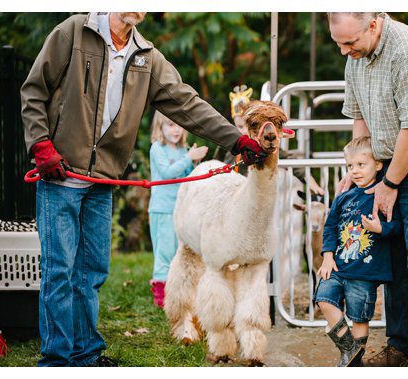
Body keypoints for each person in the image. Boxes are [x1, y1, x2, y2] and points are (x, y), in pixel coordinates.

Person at [21, 12, 267, 367]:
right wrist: (40, 144)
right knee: (60, 271)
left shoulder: (146, 57)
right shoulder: (73, 32)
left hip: (102, 179)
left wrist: (236, 139)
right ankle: (58, 360)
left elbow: (187, 104)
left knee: (91, 272)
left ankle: (86, 354)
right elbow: (34, 90)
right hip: (60, 174)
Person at [328, 12, 408, 367]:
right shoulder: (356, 55)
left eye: (349, 42)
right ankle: (399, 345)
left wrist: (388, 184)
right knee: (393, 254)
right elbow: (360, 119)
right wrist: (358, 168)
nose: (344, 52)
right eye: (338, 43)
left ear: (373, 24)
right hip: (386, 160)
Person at [316, 136, 401, 366]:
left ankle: (353, 364)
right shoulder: (343, 198)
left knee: (359, 318)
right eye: (350, 166)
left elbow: (398, 227)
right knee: (324, 298)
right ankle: (350, 351)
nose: (354, 171)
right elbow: (330, 227)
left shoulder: (384, 196)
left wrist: (380, 228)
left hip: (365, 272)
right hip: (337, 266)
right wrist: (327, 256)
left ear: (378, 164)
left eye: (361, 165)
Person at [147, 112, 208, 308]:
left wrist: (194, 162)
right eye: (171, 125)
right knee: (164, 251)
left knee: (179, 252)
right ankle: (160, 293)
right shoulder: (158, 149)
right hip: (163, 209)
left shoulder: (183, 150)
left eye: (179, 125)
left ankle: (179, 290)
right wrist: (189, 158)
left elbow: (188, 177)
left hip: (181, 210)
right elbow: (166, 174)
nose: (176, 129)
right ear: (160, 127)